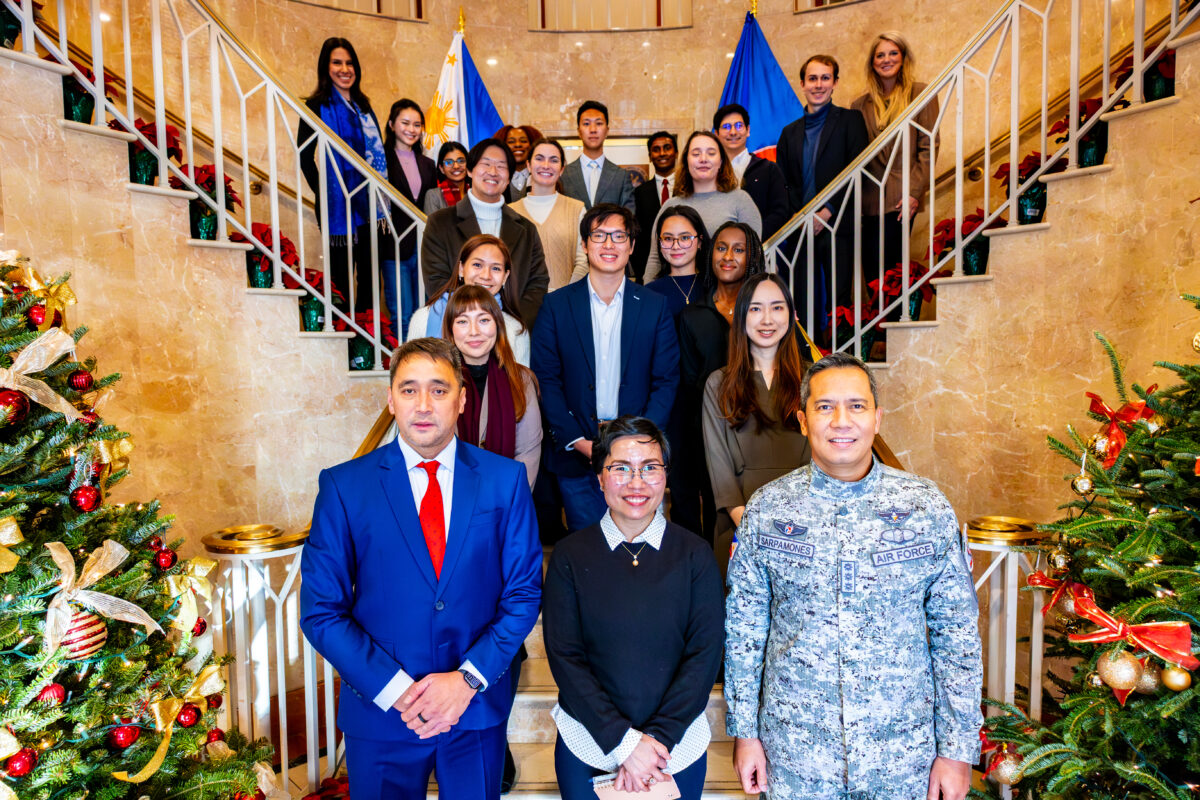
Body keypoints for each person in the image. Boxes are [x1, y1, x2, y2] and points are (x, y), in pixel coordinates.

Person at [724, 352, 983, 800]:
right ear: (803, 421)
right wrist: (745, 734)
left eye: (856, 406)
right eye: (825, 407)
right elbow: (744, 633)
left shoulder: (925, 508)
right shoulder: (767, 511)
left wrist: (957, 751)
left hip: (902, 759)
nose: (841, 421)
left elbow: (956, 637)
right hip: (796, 756)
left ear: (877, 419)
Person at [300, 337, 543, 800]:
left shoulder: (505, 480)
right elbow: (321, 611)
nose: (424, 404)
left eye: (439, 389)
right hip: (381, 713)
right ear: (391, 400)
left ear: (462, 399)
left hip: (473, 709)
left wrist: (467, 680)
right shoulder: (344, 486)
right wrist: (397, 690)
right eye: (409, 390)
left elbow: (525, 593)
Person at [543, 416, 724, 800]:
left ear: (666, 474)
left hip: (675, 747)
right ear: (600, 477)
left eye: (650, 468)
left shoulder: (696, 555)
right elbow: (565, 657)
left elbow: (704, 655)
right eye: (621, 468)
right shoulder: (570, 557)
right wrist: (625, 744)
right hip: (589, 742)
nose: (636, 482)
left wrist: (656, 742)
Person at [531, 203, 679, 532]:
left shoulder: (654, 306)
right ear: (585, 244)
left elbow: (666, 380)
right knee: (589, 548)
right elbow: (547, 380)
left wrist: (639, 441)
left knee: (641, 548)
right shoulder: (556, 306)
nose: (609, 244)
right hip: (577, 454)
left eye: (618, 236)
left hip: (639, 457)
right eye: (599, 235)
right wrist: (577, 440)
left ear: (632, 245)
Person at [702, 273, 811, 570]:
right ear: (741, 316)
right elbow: (719, 468)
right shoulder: (719, 384)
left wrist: (796, 531)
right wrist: (754, 530)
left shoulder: (813, 379)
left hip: (808, 526)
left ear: (791, 315)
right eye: (755, 308)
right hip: (740, 525)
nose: (767, 319)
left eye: (777, 307)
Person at [675, 222, 767, 544]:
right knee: (716, 519)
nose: (728, 256)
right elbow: (689, 385)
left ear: (751, 257)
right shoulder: (692, 316)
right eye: (721, 248)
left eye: (738, 249)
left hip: (759, 428)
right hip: (709, 431)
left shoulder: (765, 312)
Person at [297, 37, 388, 313]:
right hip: (336, 206)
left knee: (370, 277)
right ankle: (342, 329)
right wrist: (325, 192)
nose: (345, 69)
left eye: (350, 63)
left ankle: (366, 331)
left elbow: (376, 152)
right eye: (337, 62)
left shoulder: (364, 106)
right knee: (340, 275)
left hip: (370, 205)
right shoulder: (315, 106)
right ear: (326, 67)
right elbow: (305, 156)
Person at [421, 138, 550, 326]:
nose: (493, 172)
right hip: (460, 331)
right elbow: (436, 282)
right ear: (470, 170)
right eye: (486, 164)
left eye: (501, 166)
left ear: (509, 177)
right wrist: (477, 323)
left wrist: (509, 324)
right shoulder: (440, 223)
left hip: (512, 332)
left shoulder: (526, 229)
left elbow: (537, 284)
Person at [776, 55, 870, 312]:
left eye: (825, 78)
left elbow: (858, 171)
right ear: (802, 84)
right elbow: (783, 182)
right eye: (812, 79)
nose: (818, 85)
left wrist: (827, 211)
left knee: (839, 300)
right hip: (800, 228)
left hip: (837, 223)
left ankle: (840, 341)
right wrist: (800, 217)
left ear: (835, 83)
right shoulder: (789, 132)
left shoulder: (851, 120)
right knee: (802, 301)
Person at [851, 32, 940, 275]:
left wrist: (914, 192)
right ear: (872, 62)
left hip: (902, 198)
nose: (886, 59)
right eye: (880, 55)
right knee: (871, 269)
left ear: (903, 58)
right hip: (868, 200)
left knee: (892, 269)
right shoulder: (859, 105)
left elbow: (928, 146)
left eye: (893, 53)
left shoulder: (921, 94)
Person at [442, 284, 541, 484]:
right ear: (451, 331)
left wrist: (507, 499)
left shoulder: (521, 379)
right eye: (462, 321)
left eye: (484, 320)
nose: (474, 331)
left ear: (497, 325)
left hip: (508, 495)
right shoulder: (439, 383)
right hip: (452, 494)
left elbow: (528, 454)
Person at [643, 131, 761, 283]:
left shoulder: (741, 201)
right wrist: (648, 293)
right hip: (680, 292)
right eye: (696, 154)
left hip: (729, 292)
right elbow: (655, 259)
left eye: (711, 153)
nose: (703, 159)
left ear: (721, 161)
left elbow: (754, 256)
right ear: (686, 161)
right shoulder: (671, 206)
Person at [409, 234, 530, 366]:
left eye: (495, 268)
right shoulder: (425, 318)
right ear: (461, 269)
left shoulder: (515, 329)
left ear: (505, 276)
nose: (486, 276)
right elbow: (407, 372)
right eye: (477, 265)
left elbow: (520, 378)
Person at [383, 98, 438, 337]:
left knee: (423, 314)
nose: (411, 129)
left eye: (417, 125)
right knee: (402, 315)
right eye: (405, 123)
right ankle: (402, 359)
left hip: (423, 247)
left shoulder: (428, 164)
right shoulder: (381, 159)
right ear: (391, 124)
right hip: (394, 245)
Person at [510, 138, 588, 291]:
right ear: (528, 165)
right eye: (539, 159)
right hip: (520, 301)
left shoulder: (577, 209)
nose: (546, 165)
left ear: (562, 169)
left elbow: (583, 261)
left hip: (566, 300)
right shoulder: (510, 212)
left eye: (553, 160)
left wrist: (565, 296)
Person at [712, 103, 790, 241]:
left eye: (739, 126)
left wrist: (750, 240)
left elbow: (780, 212)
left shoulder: (769, 169)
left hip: (759, 246)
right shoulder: (709, 172)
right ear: (716, 134)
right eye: (726, 127)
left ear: (748, 130)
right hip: (716, 247)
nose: (733, 132)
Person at [560, 101, 636, 212]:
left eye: (599, 123)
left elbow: (629, 217)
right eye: (586, 124)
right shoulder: (564, 174)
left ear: (607, 131)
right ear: (579, 131)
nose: (593, 130)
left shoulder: (621, 176)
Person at [644, 204, 709, 320]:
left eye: (684, 237)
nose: (676, 246)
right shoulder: (649, 293)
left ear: (700, 242)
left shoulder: (713, 288)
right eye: (668, 238)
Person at [631, 131, 679, 282]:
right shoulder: (639, 193)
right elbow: (636, 236)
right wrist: (642, 272)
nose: (662, 153)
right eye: (656, 150)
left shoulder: (688, 189)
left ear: (676, 153)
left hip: (684, 269)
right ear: (650, 157)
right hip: (649, 274)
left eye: (667, 148)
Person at [496, 123, 544, 196]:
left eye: (523, 141)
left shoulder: (543, 176)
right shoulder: (495, 177)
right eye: (511, 142)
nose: (518, 145)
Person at [424, 141, 469, 214]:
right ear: (441, 168)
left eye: (461, 161)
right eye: (449, 162)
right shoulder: (433, 195)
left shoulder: (475, 193)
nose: (456, 166)